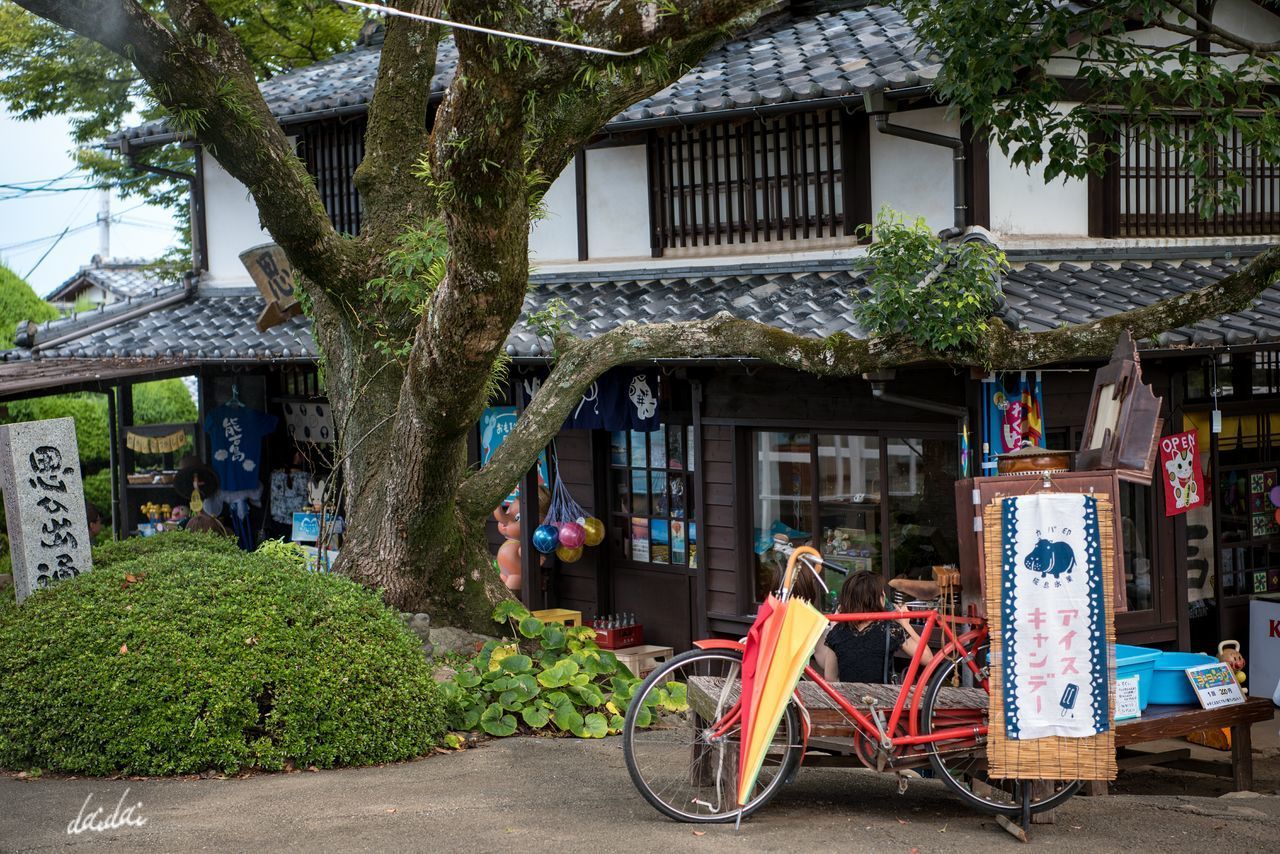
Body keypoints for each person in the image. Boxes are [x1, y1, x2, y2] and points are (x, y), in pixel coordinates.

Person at [824, 571, 932, 683]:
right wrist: (905, 624)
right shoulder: (889, 629)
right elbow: (928, 659)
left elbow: (830, 678)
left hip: (847, 698)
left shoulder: (837, 631)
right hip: (882, 698)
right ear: (877, 599)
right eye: (882, 593)